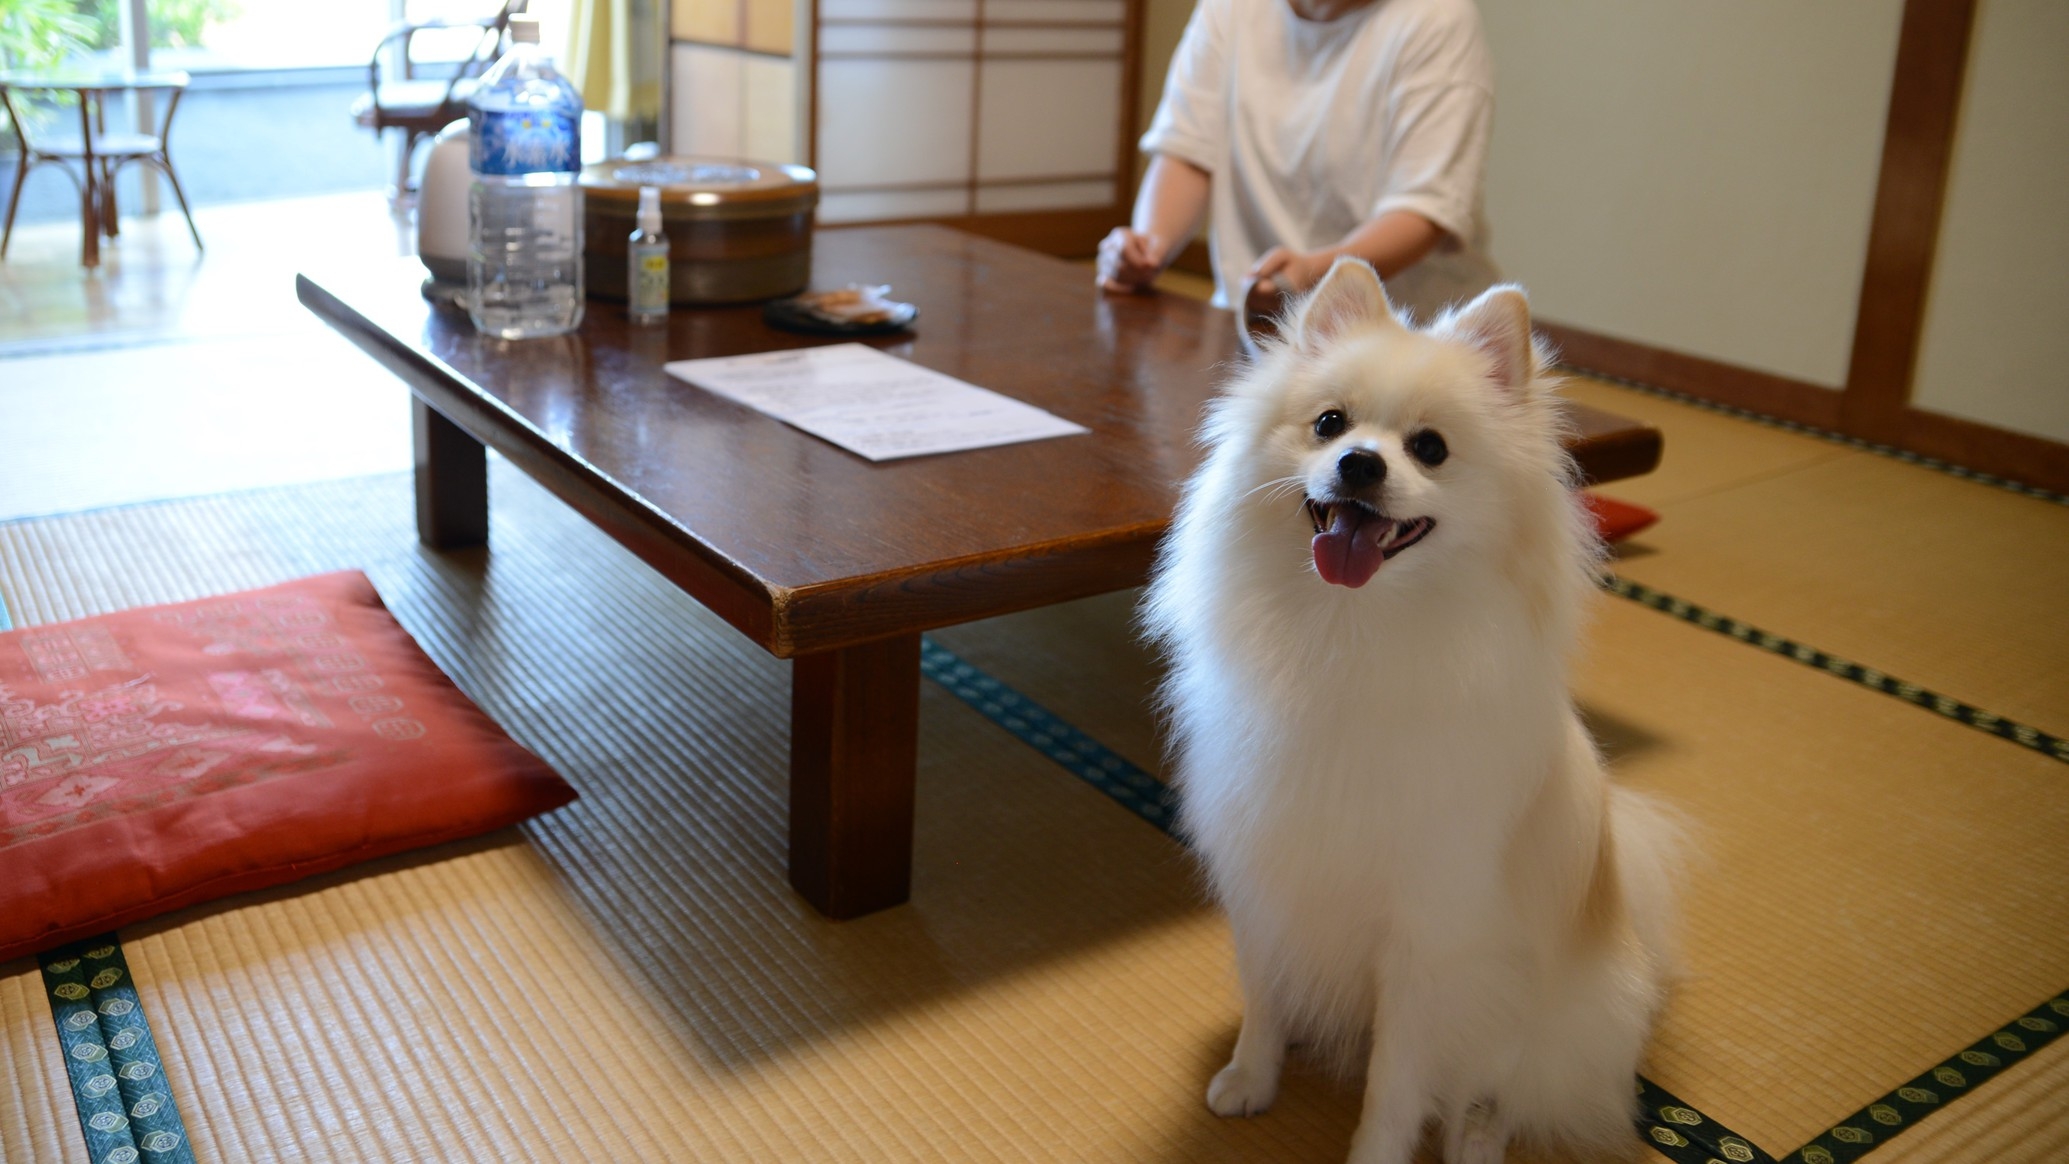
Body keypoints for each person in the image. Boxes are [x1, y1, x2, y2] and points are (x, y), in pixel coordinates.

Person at [1098, 0, 1500, 323]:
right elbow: (1187, 150)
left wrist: (1316, 273)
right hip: (1261, 319)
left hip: (1410, 332)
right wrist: (1148, 247)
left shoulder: (1438, 19)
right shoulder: (1228, 9)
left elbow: (1423, 209)